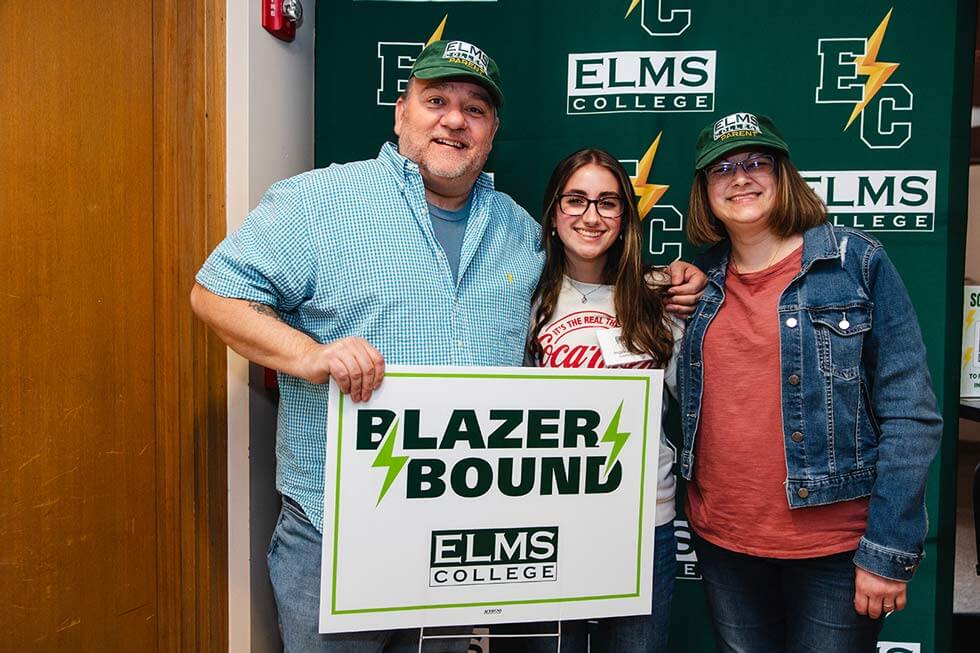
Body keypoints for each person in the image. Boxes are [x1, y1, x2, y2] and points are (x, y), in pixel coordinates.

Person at [191, 39, 705, 652]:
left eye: (475, 109)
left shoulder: (520, 230)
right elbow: (215, 296)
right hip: (337, 537)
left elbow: (591, 282)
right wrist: (309, 355)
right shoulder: (318, 204)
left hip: (460, 544)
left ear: (491, 133)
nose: (455, 120)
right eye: (436, 100)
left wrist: (670, 282)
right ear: (401, 112)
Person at [677, 111, 942, 652]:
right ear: (704, 192)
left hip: (835, 549)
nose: (741, 177)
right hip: (724, 543)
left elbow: (910, 411)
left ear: (784, 176)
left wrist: (888, 549)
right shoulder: (697, 284)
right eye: (721, 169)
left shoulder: (854, 263)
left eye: (757, 162)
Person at [522, 148, 683, 653]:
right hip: (548, 520)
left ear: (625, 219)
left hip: (642, 522)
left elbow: (697, 403)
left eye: (608, 203)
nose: (591, 217)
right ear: (552, 214)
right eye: (576, 200)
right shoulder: (521, 296)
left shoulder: (660, 298)